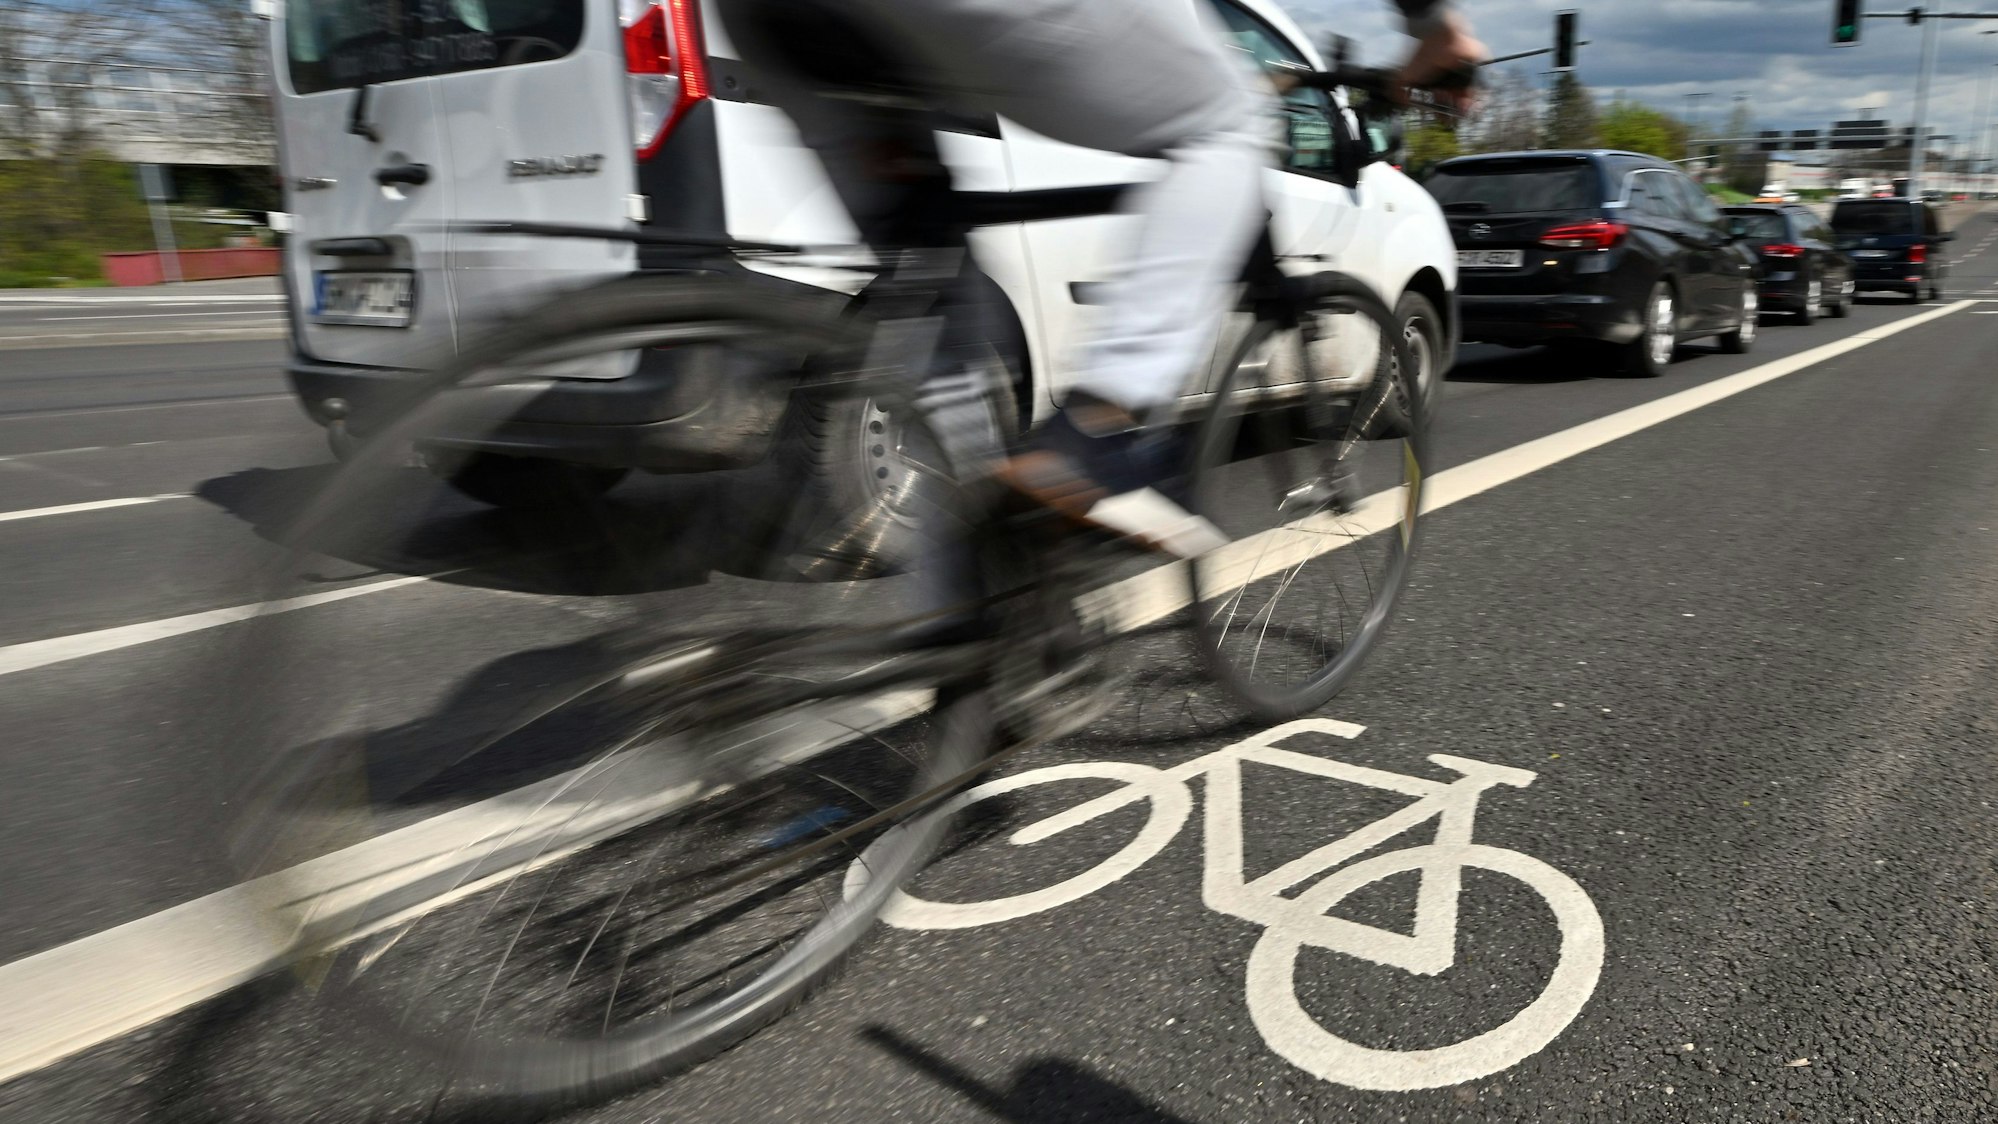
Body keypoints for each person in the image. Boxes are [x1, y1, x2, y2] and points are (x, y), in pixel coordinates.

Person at [719, 0, 1485, 558]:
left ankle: (966, 620)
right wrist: (1433, 26)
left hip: (773, 20)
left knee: (927, 258)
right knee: (1226, 120)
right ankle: (1095, 437)